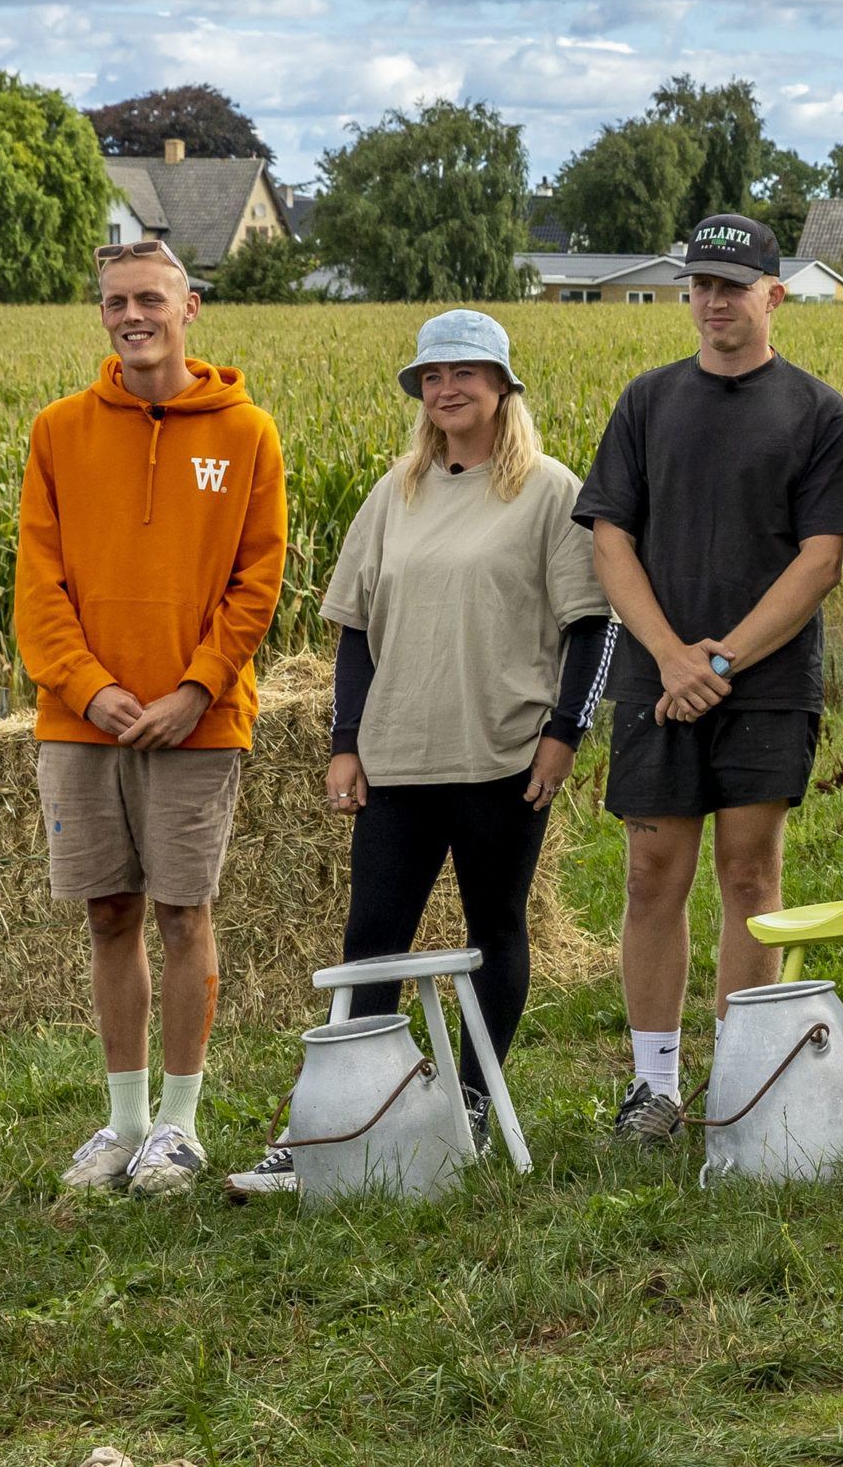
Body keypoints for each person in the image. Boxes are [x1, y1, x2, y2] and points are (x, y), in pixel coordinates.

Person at [227, 309, 611, 1196]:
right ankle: (329, 1128)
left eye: (465, 375)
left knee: (494, 933)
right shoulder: (394, 492)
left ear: (502, 386)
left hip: (503, 753)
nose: (447, 390)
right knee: (371, 943)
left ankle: (470, 1108)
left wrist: (564, 737)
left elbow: (593, 627)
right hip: (398, 755)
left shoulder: (550, 491)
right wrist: (345, 744)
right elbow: (355, 631)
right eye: (432, 378)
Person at [576, 214, 843, 1146]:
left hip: (768, 683)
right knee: (652, 872)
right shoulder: (648, 402)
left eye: (732, 287)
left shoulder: (816, 411)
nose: (712, 302)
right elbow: (612, 538)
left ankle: (740, 1080)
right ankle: (654, 1086)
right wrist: (668, 656)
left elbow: (821, 559)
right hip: (655, 679)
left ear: (774, 296)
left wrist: (723, 660)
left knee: (750, 872)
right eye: (700, 285)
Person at [22, 238, 286, 1196]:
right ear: (101, 315)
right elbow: (38, 584)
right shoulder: (59, 430)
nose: (131, 316)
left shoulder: (248, 433)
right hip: (80, 720)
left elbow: (258, 582)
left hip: (196, 722)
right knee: (108, 914)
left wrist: (194, 689)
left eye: (149, 300)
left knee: (183, 912)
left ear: (190, 308)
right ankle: (123, 1120)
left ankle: (179, 1125)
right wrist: (89, 688)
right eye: (113, 302)